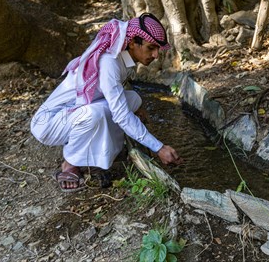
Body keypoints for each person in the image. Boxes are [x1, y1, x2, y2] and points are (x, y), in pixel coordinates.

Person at [31, 13, 183, 192]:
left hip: (71, 114)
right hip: (49, 123)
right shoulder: (110, 62)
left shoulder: (123, 58)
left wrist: (138, 107)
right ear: (133, 42)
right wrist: (159, 147)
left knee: (133, 99)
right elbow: (121, 115)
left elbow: (120, 95)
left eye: (157, 49)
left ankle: (104, 152)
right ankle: (70, 164)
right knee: (97, 114)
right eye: (151, 48)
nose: (156, 55)